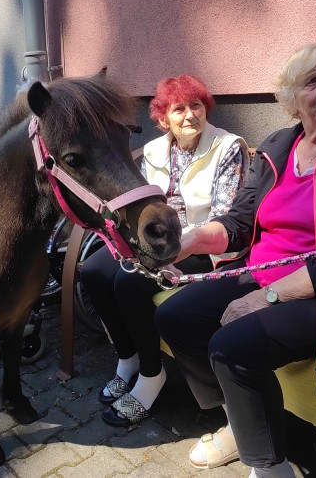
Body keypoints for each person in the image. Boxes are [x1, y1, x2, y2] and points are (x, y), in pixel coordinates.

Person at [154, 41, 316, 476]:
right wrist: (186, 241)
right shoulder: (278, 146)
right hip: (266, 273)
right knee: (177, 317)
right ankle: (239, 425)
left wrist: (269, 297)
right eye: (314, 80)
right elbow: (239, 223)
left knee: (231, 346)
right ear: (292, 99)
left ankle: (270, 467)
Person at [81, 74, 248, 427]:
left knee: (130, 284)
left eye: (197, 105)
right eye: (179, 108)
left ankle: (151, 376)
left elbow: (226, 215)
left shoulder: (227, 147)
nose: (190, 115)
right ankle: (128, 359)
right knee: (94, 271)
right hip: (156, 243)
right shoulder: (155, 150)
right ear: (162, 118)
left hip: (205, 246)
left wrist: (176, 248)